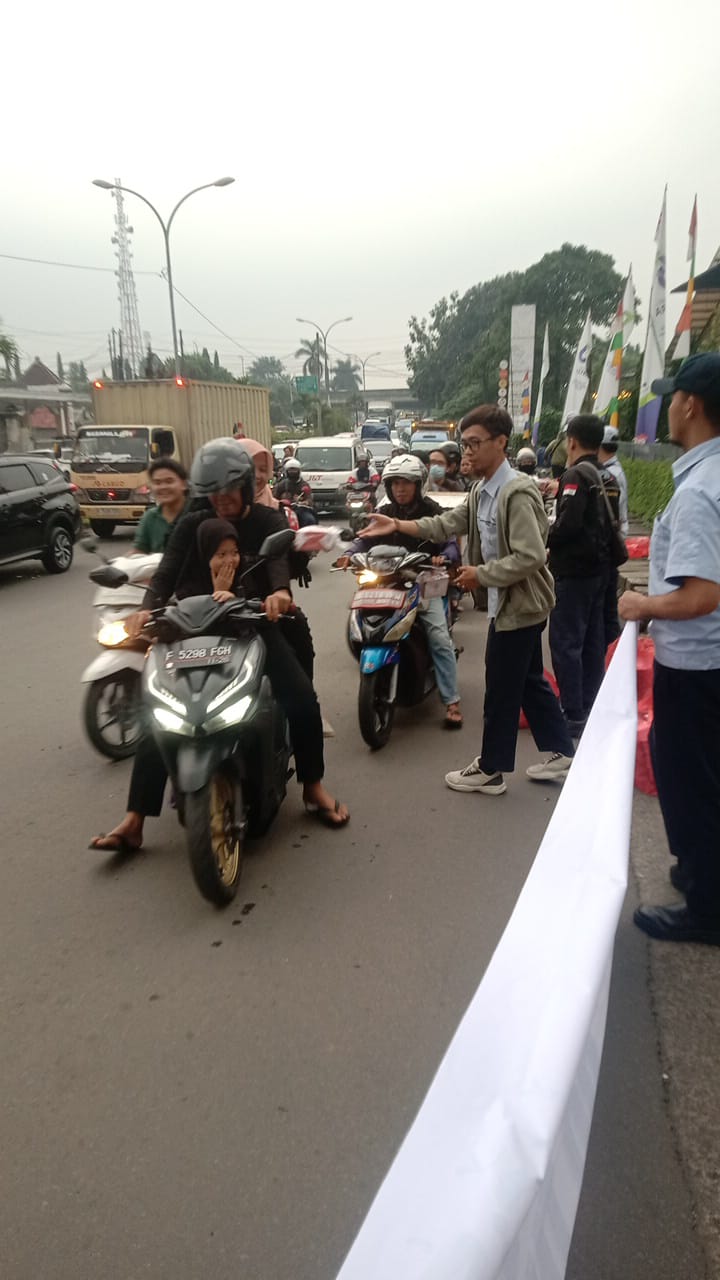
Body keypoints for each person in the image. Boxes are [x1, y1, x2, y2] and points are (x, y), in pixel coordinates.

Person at [89, 441, 349, 854]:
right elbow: (167, 573)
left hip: (254, 625)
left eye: (229, 491)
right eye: (213, 493)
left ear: (246, 486)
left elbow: (279, 559)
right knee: (160, 711)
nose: (221, 501)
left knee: (300, 699)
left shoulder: (266, 519)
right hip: (195, 628)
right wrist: (146, 610)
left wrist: (278, 592)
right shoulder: (192, 523)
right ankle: (135, 818)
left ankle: (313, 787)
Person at [361, 405, 575, 794]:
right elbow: (444, 523)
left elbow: (531, 555)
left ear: (501, 443)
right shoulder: (481, 491)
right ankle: (562, 754)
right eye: (465, 444)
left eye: (475, 444)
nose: (468, 452)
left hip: (521, 605)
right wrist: (397, 524)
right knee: (529, 682)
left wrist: (480, 575)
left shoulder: (518, 492)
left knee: (501, 688)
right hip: (507, 602)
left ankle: (491, 770)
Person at [619, 353, 720, 945]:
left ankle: (706, 909)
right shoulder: (705, 476)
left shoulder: (700, 491)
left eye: (673, 397)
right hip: (706, 663)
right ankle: (702, 872)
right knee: (700, 777)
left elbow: (702, 595)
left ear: (692, 405)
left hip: (698, 665)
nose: (668, 407)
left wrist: (640, 606)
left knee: (692, 782)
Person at [338, 453, 463, 728]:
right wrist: (349, 554)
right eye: (395, 484)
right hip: (386, 583)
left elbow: (450, 542)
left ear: (419, 485)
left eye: (406, 483)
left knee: (439, 638)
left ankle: (451, 701)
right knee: (357, 620)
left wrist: (445, 556)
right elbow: (364, 540)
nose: (400, 489)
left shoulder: (434, 512)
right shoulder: (384, 514)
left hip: (424, 583)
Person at [547, 414, 620, 737]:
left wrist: (544, 535)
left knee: (566, 643)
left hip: (575, 572)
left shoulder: (575, 474)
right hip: (602, 571)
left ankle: (572, 712)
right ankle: (590, 707)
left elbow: (569, 524)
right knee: (592, 642)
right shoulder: (609, 476)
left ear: (571, 441)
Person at [598, 425, 629, 648]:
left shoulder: (610, 476)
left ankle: (612, 656)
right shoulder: (613, 471)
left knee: (607, 610)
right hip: (613, 542)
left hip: (609, 546)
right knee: (607, 608)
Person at [132, 457, 190, 553]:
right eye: (157, 483)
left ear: (184, 484)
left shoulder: (196, 513)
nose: (163, 487)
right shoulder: (150, 517)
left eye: (169, 481)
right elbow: (138, 552)